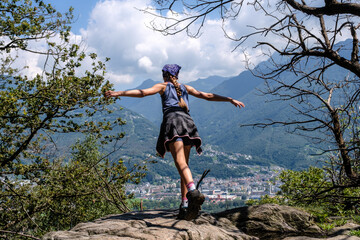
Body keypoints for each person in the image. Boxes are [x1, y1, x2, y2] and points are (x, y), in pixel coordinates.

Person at [105, 64, 245, 220]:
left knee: (180, 162)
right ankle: (185, 204)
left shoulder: (162, 86)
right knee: (184, 167)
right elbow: (208, 96)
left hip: (173, 122)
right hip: (188, 123)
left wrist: (119, 93)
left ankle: (192, 191)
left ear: (164, 75)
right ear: (177, 75)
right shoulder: (186, 88)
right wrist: (230, 99)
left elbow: (142, 93)